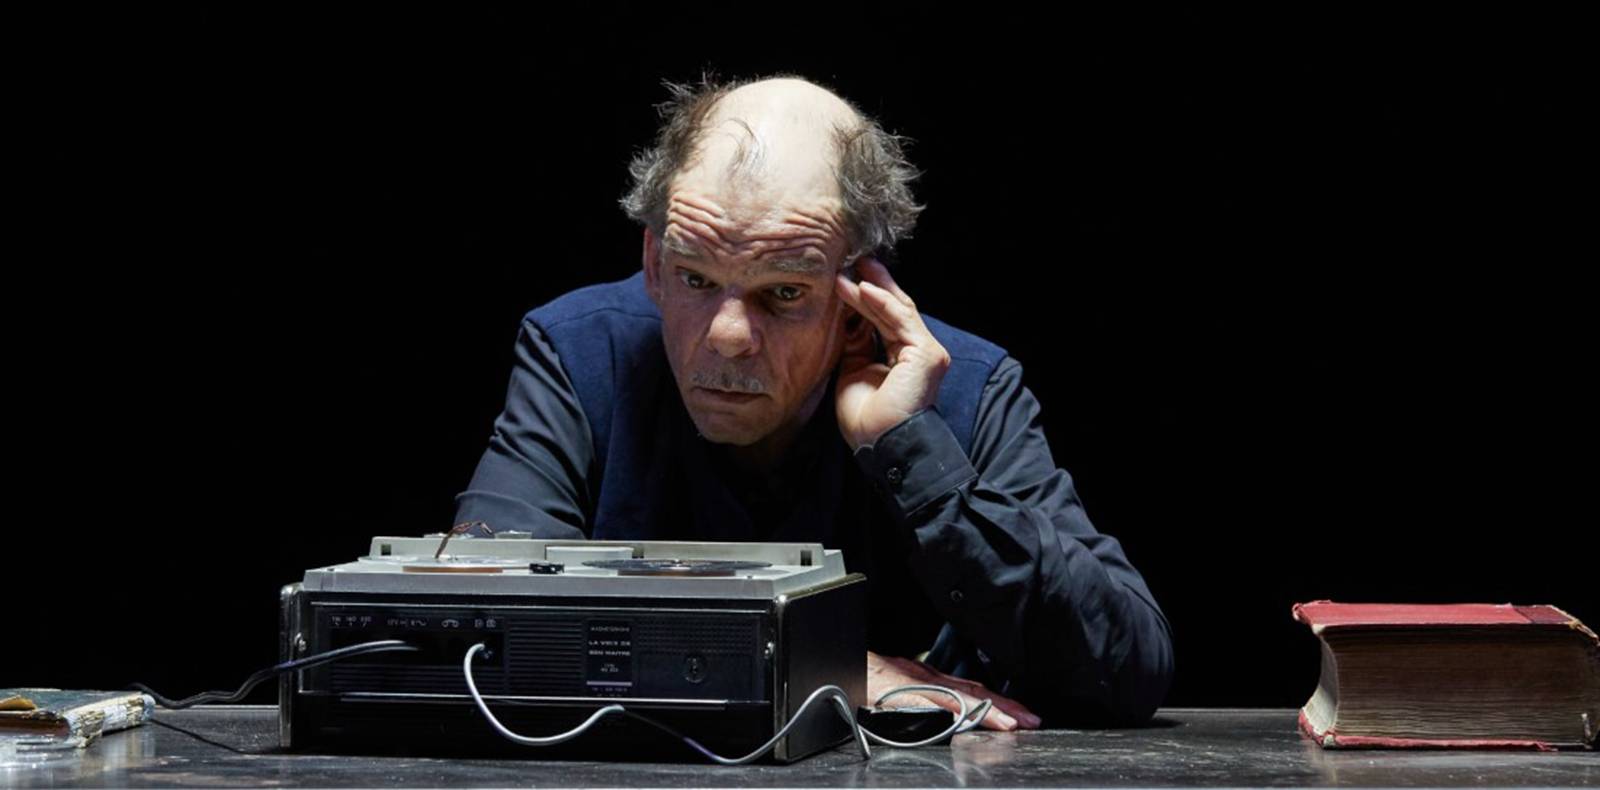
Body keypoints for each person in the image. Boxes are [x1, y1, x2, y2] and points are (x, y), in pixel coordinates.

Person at [454, 75, 1173, 729]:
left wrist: (911, 452)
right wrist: (819, 669)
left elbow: (1130, 670)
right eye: (695, 278)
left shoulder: (965, 388)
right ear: (654, 262)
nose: (728, 337)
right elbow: (472, 620)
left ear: (857, 301)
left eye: (784, 291)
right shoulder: (579, 355)